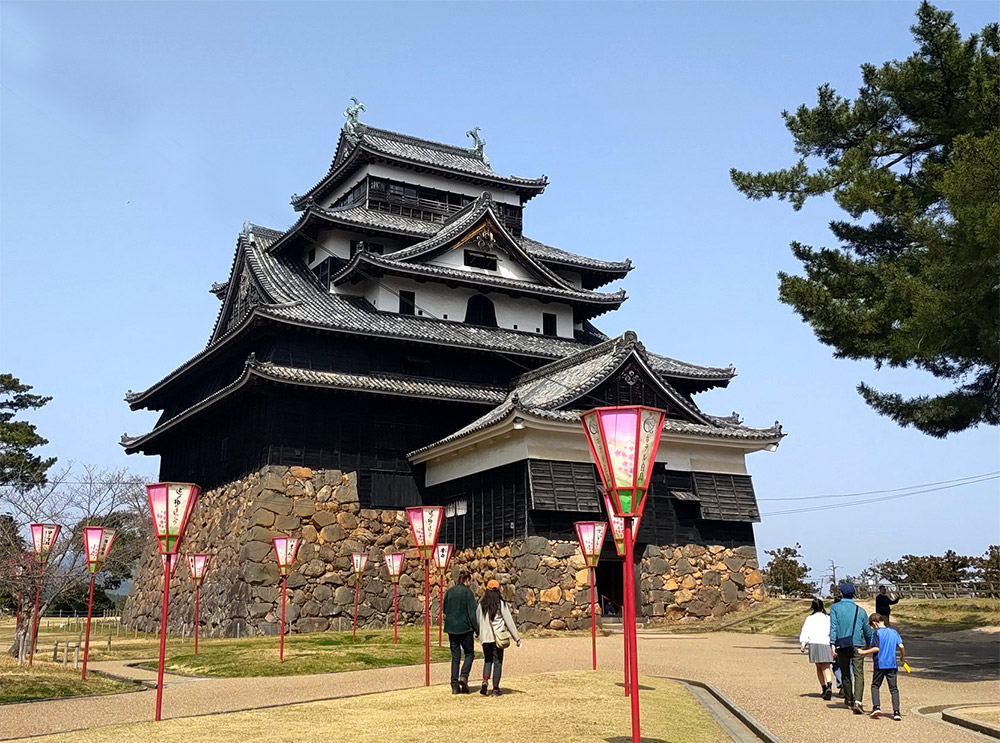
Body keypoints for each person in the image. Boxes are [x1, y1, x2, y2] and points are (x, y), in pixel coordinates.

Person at [829, 582, 873, 714]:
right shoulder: (861, 611)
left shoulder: (835, 608)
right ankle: (858, 701)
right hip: (858, 644)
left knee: (845, 672)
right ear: (853, 594)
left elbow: (834, 627)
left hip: (842, 644)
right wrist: (870, 644)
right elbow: (867, 630)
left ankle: (849, 698)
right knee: (859, 673)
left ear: (841, 594)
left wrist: (832, 643)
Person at [476, 579, 521, 697]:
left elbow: (478, 619)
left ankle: (485, 680)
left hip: (486, 637)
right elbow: (509, 621)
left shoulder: (481, 603)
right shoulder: (501, 604)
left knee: (487, 660)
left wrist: (478, 632)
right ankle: (495, 688)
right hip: (498, 636)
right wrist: (516, 637)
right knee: (498, 662)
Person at [859, 614, 906, 721]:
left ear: (875, 623)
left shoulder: (877, 633)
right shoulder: (894, 632)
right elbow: (901, 646)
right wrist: (902, 657)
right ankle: (896, 712)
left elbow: (876, 648)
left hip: (880, 663)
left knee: (875, 685)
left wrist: (863, 652)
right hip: (892, 664)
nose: (871, 627)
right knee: (893, 688)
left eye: (871, 625)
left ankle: (876, 707)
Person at [443, 570, 478, 694]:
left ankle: (454, 684)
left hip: (451, 629)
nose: (471, 583)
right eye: (471, 581)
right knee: (469, 653)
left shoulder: (450, 592)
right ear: (467, 580)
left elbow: (445, 608)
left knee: (455, 657)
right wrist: (477, 629)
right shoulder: (468, 593)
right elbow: (472, 614)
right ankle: (464, 676)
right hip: (465, 628)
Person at [798, 597, 834, 699]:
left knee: (818, 667)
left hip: (814, 643)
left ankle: (823, 688)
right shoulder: (828, 618)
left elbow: (805, 631)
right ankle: (829, 685)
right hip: (825, 643)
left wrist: (803, 643)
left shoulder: (810, 618)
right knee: (826, 666)